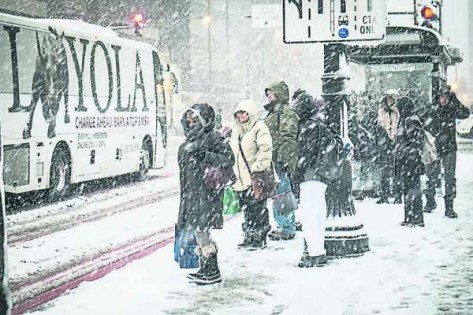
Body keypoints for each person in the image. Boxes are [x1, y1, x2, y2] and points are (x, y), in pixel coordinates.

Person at [177, 103, 235, 285]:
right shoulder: (188, 141)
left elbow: (228, 158)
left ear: (205, 120)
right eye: (189, 120)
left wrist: (206, 155)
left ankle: (211, 271)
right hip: (191, 195)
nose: (192, 123)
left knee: (201, 231)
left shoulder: (212, 137)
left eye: (196, 120)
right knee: (199, 231)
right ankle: (207, 268)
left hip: (206, 195)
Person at [293, 90, 335, 267]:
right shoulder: (320, 123)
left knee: (308, 215)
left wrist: (297, 169)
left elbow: (306, 153)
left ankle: (314, 252)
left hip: (310, 175)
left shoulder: (307, 126)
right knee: (318, 214)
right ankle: (318, 251)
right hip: (322, 175)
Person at [230, 100, 273, 250]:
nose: (241, 116)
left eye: (244, 113)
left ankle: (259, 237)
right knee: (247, 209)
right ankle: (249, 235)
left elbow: (265, 149)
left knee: (258, 208)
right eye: (239, 113)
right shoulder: (236, 131)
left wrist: (257, 168)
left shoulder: (259, 128)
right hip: (241, 178)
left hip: (255, 177)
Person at [422, 86, 470, 218]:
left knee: (449, 178)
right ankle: (430, 201)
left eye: (446, 97)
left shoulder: (452, 108)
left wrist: (455, 101)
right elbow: (424, 123)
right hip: (435, 147)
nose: (444, 100)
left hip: (449, 147)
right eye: (441, 97)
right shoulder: (433, 109)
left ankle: (449, 206)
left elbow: (465, 113)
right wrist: (436, 134)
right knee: (431, 176)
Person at [264, 81, 299, 240]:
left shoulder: (285, 112)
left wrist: (284, 159)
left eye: (271, 93)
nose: (269, 96)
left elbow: (288, 137)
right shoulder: (274, 112)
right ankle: (286, 223)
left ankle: (287, 226)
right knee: (280, 193)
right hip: (273, 158)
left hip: (279, 160)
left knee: (282, 194)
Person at [396, 97, 425, 227]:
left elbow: (416, 141)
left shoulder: (411, 120)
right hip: (407, 160)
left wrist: (405, 152)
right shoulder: (406, 120)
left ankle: (416, 218)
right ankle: (409, 217)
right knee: (408, 188)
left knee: (413, 188)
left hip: (411, 161)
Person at [375, 89, 400, 204]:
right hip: (384, 144)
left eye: (392, 98)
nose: (390, 100)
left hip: (395, 143)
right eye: (388, 97)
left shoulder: (398, 112)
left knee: (396, 170)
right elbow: (379, 128)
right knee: (384, 171)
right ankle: (384, 195)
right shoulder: (381, 111)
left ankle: (397, 195)